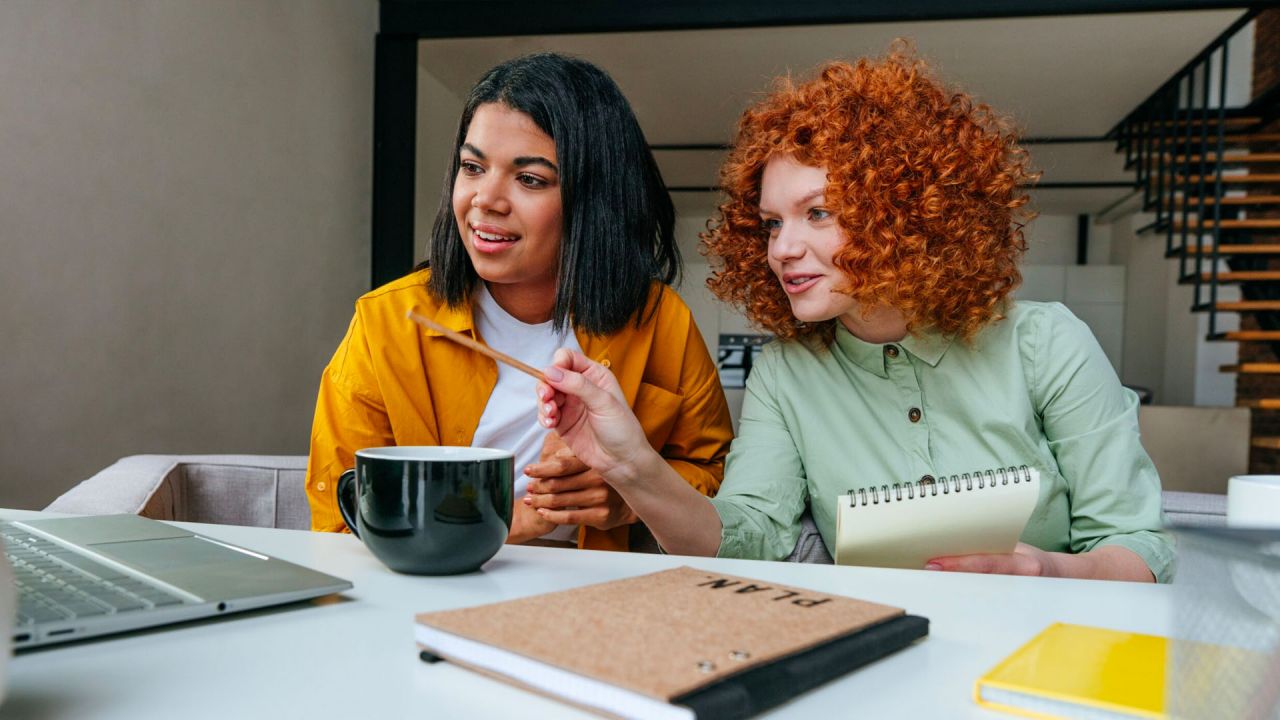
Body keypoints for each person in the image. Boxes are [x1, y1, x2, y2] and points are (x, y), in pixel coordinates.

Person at [533, 47, 1174, 581]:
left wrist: (1047, 572)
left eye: (819, 212)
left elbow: (1141, 548)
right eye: (771, 222)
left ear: (908, 211)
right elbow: (743, 540)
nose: (783, 247)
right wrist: (631, 465)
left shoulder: (1046, 343)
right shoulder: (786, 372)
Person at [306, 53, 733, 551]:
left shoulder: (659, 322)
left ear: (593, 199)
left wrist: (630, 496)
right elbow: (340, 518)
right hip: (429, 597)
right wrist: (501, 522)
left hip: (601, 607)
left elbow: (716, 480)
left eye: (529, 179)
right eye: (472, 167)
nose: (486, 199)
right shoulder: (386, 324)